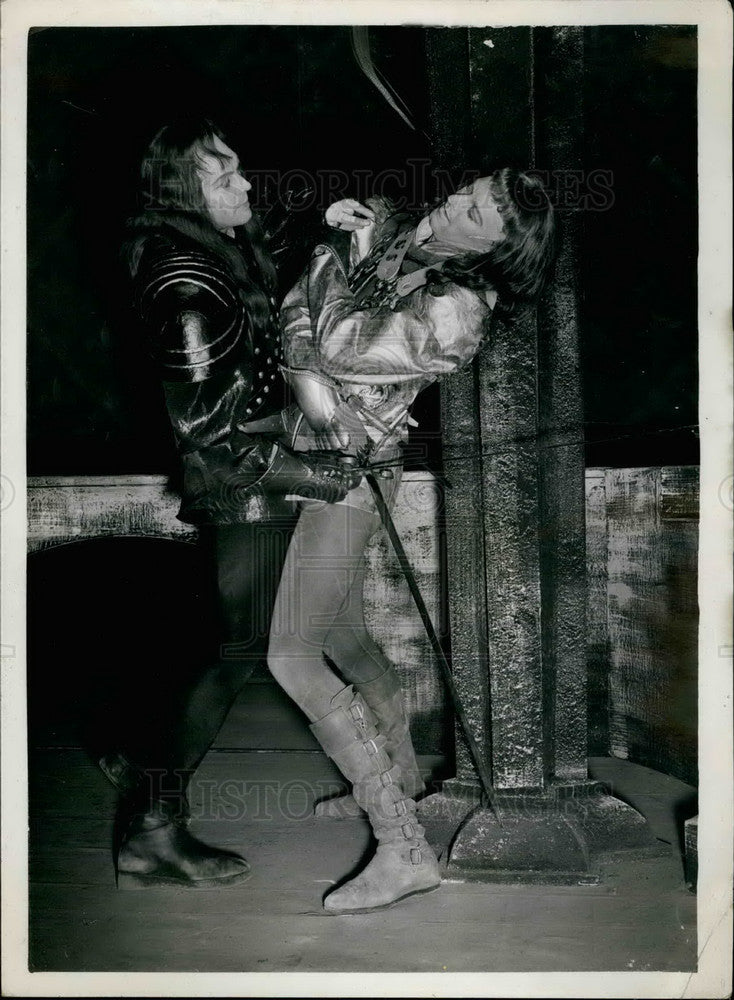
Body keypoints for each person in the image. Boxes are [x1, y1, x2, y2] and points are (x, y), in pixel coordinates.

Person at [265, 169, 556, 913]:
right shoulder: (396, 239)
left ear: (492, 249)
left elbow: (338, 342)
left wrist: (334, 258)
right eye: (471, 189)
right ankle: (401, 779)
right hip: (316, 457)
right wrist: (312, 376)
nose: (456, 201)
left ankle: (402, 845)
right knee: (344, 639)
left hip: (354, 476)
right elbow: (294, 311)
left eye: (478, 213)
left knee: (290, 655)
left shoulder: (458, 311)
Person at [101, 116, 361, 889]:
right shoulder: (183, 285)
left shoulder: (214, 247)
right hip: (245, 494)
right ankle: (151, 830)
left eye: (240, 168)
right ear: (185, 197)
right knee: (233, 655)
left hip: (259, 485)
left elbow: (261, 233)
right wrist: (312, 473)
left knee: (225, 649)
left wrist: (321, 215)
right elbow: (210, 439)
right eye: (225, 178)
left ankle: (135, 759)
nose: (247, 185)